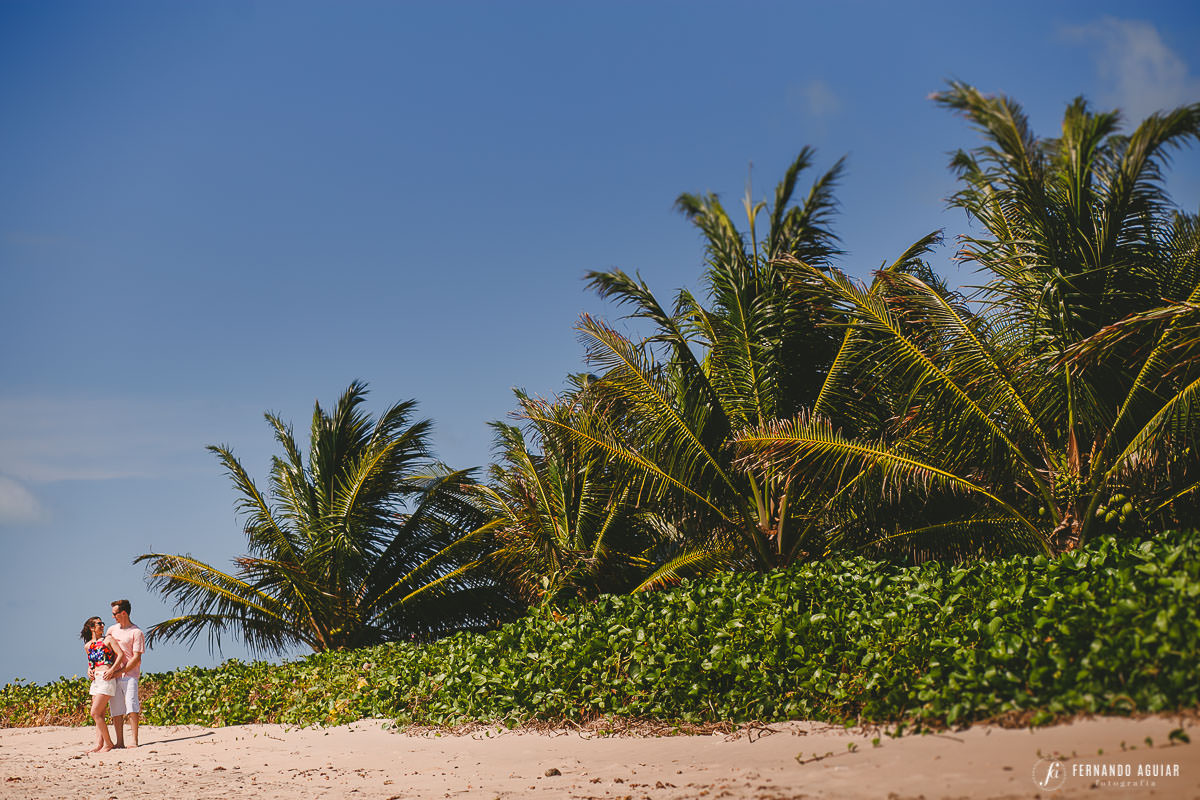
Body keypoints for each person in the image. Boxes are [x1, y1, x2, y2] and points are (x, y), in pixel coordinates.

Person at [80, 616, 126, 753]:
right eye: (99, 624)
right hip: (96, 680)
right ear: (92, 627)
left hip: (107, 677)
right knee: (99, 713)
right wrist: (89, 670)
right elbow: (91, 663)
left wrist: (112, 669)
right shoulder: (88, 646)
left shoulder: (108, 640)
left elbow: (120, 654)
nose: (102, 625)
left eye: (102, 623)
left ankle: (108, 743)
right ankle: (99, 744)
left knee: (94, 713)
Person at [106, 599, 146, 748]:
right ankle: (119, 742)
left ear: (123, 613)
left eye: (114, 614)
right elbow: (104, 651)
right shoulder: (111, 630)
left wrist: (121, 671)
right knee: (116, 709)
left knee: (131, 706)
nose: (113, 616)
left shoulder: (136, 632)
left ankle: (134, 740)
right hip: (113, 676)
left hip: (130, 676)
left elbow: (136, 658)